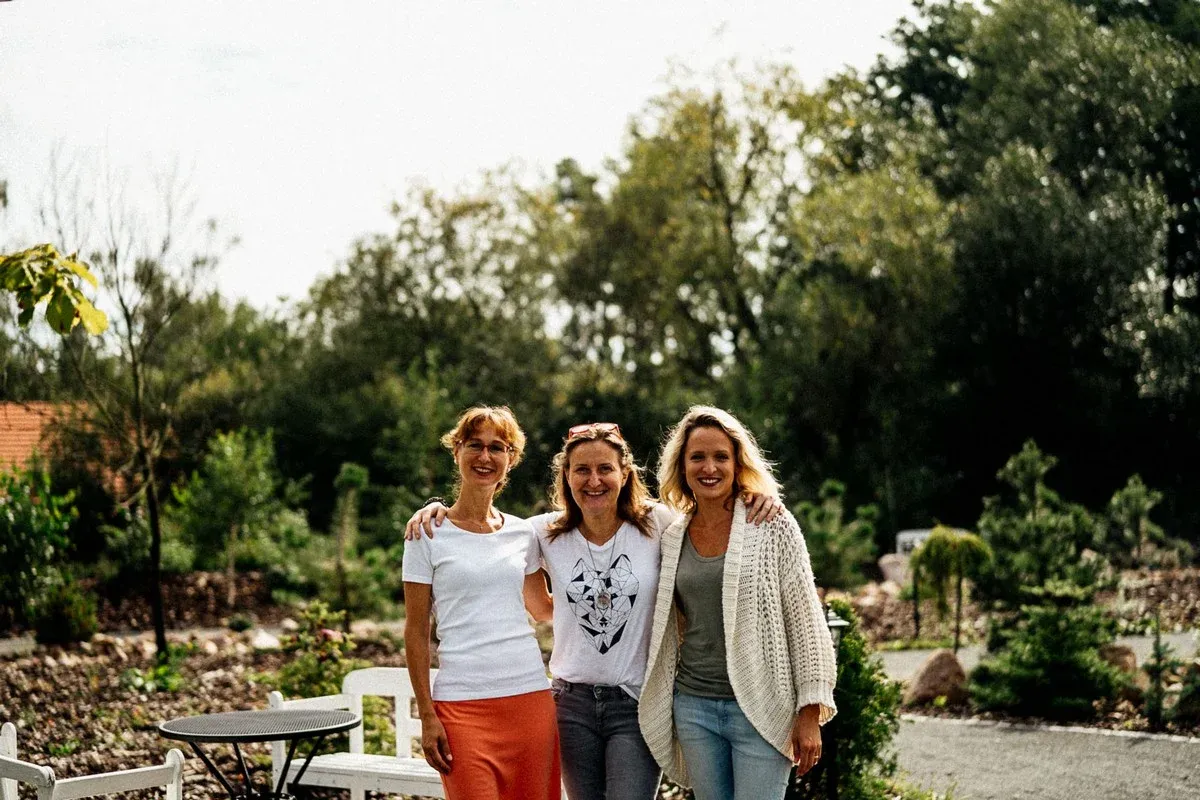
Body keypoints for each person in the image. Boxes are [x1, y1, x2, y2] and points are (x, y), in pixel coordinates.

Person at [406, 421, 783, 800]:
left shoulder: (659, 524)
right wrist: (433, 510)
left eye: (605, 468)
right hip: (571, 705)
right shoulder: (541, 532)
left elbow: (710, 514)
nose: (594, 480)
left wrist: (754, 496)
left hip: (635, 703)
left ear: (625, 473)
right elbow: (518, 579)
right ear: (566, 476)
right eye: (582, 470)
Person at [638, 405, 837, 800]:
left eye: (721, 457)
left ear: (737, 463)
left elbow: (806, 622)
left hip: (761, 705)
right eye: (697, 457)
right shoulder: (672, 536)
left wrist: (810, 712)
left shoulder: (772, 524)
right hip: (693, 707)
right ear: (682, 466)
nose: (709, 467)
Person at [401, 405, 561, 800]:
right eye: (475, 444)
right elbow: (416, 630)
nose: (485, 456)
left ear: (511, 458)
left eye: (497, 447)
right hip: (461, 706)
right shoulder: (427, 533)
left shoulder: (523, 533)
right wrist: (426, 716)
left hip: (530, 700)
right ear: (457, 450)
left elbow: (542, 609)